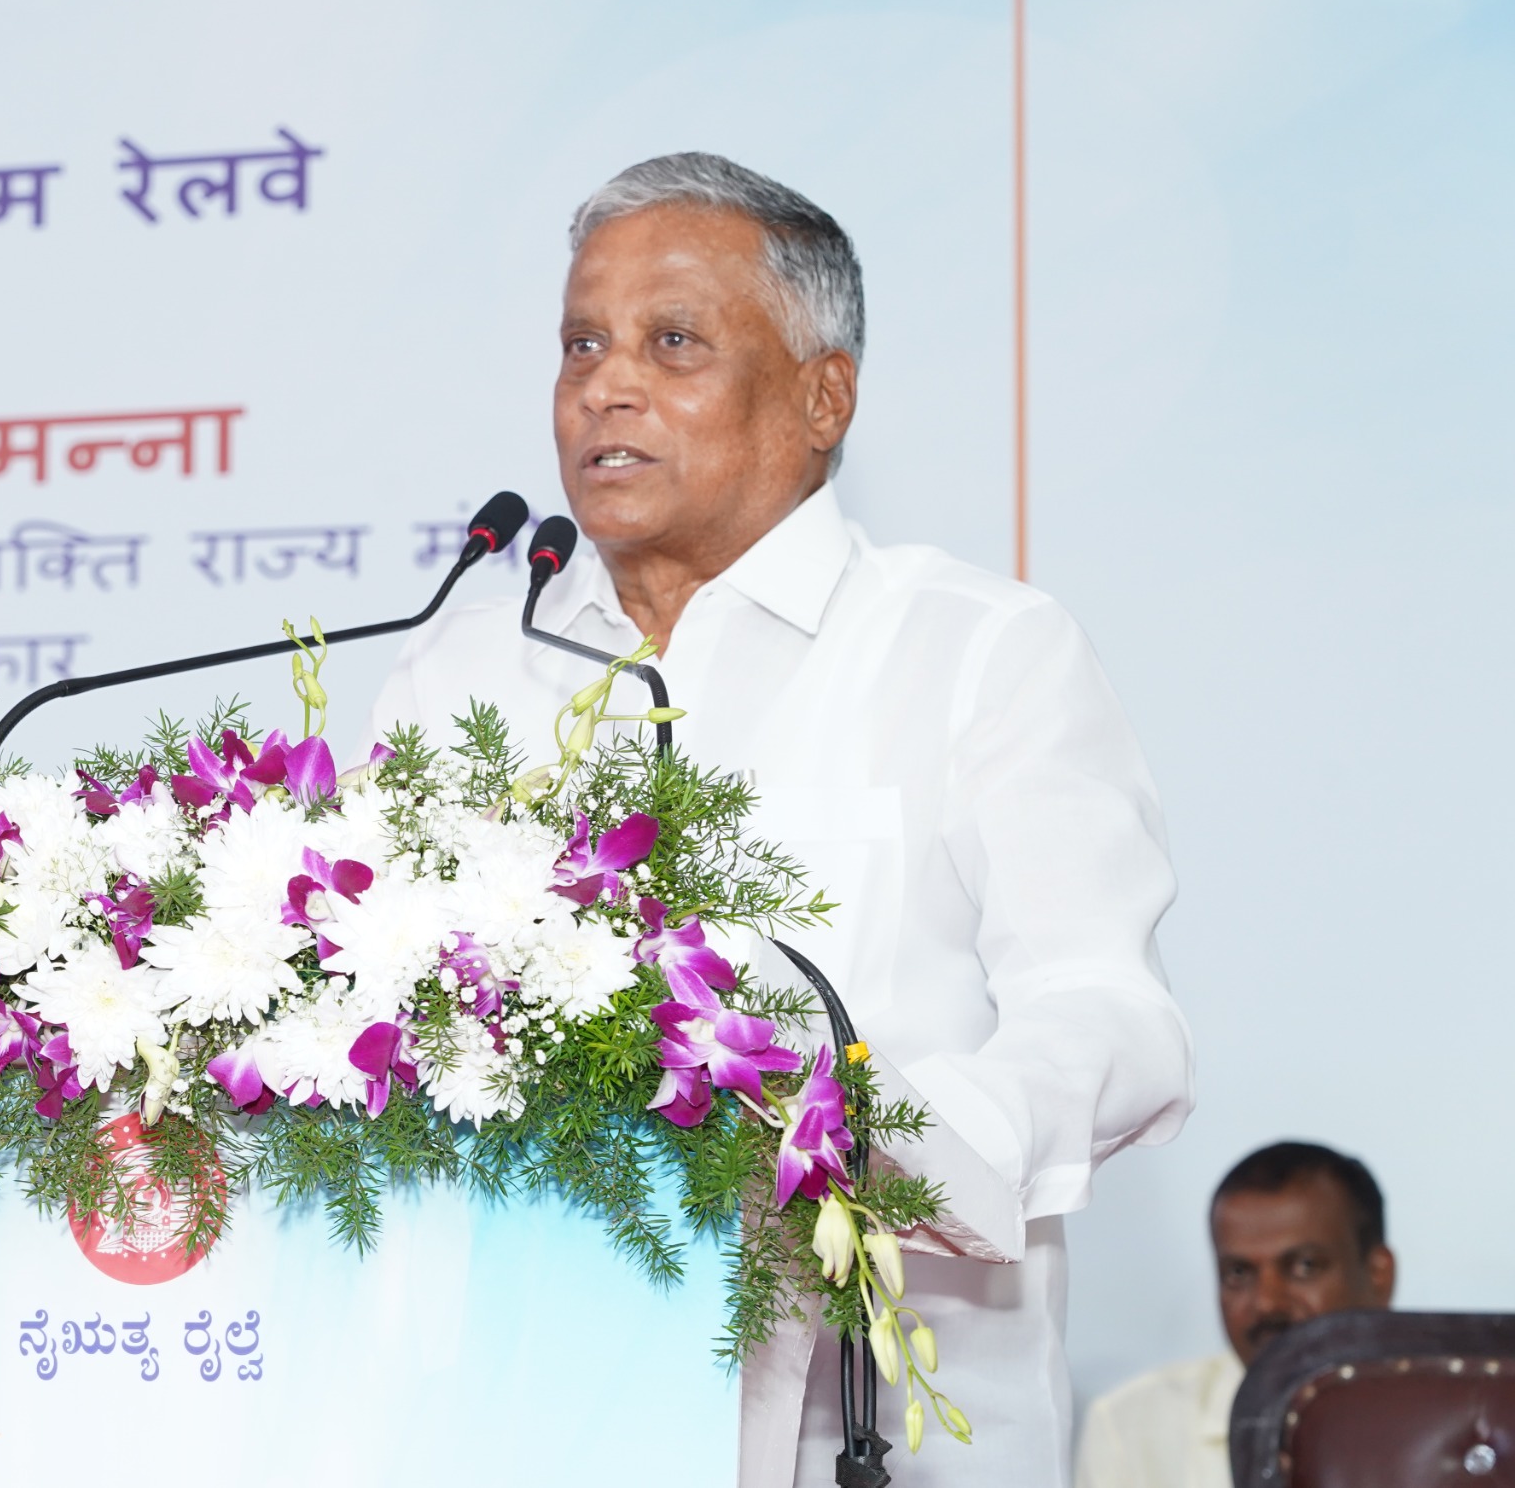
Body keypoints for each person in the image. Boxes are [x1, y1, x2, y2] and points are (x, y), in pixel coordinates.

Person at [372, 152, 1195, 1486]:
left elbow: (1110, 1010)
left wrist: (906, 1143)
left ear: (823, 396)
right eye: (582, 343)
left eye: (671, 342)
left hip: (886, 1420)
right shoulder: (460, 666)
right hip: (522, 1411)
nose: (605, 384)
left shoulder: (975, 648)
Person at [1074, 1143, 1396, 1488]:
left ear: (1378, 1275)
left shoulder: (1437, 1414)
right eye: (1239, 1273)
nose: (1267, 1303)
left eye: (1305, 1266)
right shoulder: (1131, 1429)